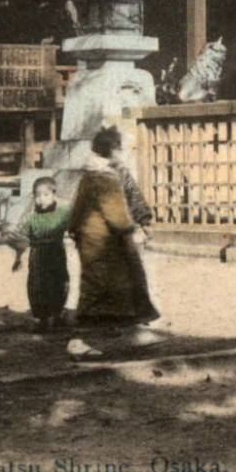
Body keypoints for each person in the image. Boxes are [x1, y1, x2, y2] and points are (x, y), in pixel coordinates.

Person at [70, 128, 160, 326]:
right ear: (111, 150)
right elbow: (83, 203)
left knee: (123, 272)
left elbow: (133, 194)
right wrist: (128, 227)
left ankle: (126, 312)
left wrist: (143, 218)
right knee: (108, 274)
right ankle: (101, 317)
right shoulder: (98, 174)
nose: (122, 153)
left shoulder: (118, 171)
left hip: (114, 228)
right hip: (112, 229)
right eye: (119, 149)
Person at [10, 176, 72, 332]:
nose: (41, 199)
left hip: (56, 252)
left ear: (54, 195)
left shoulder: (63, 211)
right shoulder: (31, 216)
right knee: (37, 286)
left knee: (59, 282)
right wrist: (18, 257)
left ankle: (57, 315)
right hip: (37, 254)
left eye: (45, 195)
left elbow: (75, 226)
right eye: (37, 195)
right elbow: (22, 236)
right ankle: (41, 319)